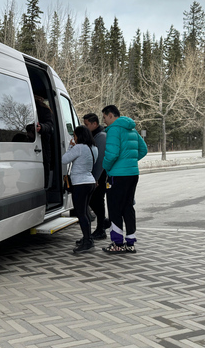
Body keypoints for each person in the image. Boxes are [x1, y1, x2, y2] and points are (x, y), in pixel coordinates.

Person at [101, 104, 147, 254]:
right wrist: (129, 161)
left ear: (110, 115)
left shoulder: (114, 129)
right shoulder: (131, 129)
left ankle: (117, 243)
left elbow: (112, 154)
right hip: (133, 174)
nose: (104, 122)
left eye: (105, 118)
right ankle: (130, 242)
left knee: (114, 208)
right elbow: (143, 149)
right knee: (128, 206)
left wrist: (107, 167)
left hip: (117, 175)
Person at [61, 125, 98, 253]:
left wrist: (70, 146)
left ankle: (87, 242)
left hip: (80, 184)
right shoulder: (94, 148)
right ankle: (88, 238)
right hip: (90, 182)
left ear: (80, 136)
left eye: (75, 135)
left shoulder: (78, 147)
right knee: (86, 212)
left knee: (81, 213)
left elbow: (64, 160)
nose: (74, 138)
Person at [83, 113, 111, 240]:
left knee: (97, 200)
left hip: (100, 176)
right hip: (96, 175)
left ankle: (101, 229)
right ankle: (103, 223)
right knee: (95, 200)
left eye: (87, 124)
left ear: (95, 124)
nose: (85, 127)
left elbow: (99, 160)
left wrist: (95, 178)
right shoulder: (95, 135)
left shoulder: (101, 136)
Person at [34, 95, 54, 188]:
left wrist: (41, 127)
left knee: (44, 170)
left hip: (43, 145)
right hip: (31, 144)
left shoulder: (43, 109)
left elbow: (49, 125)